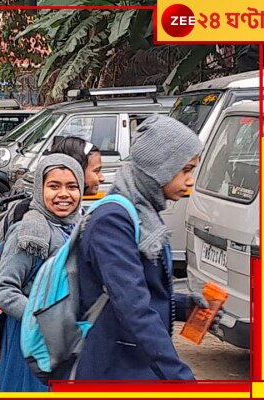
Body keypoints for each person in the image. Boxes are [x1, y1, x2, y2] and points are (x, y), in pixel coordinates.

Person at [74, 115, 207, 380]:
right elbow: (133, 307)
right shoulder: (112, 220)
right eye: (186, 170)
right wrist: (181, 378)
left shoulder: (143, 213)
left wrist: (185, 306)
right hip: (114, 368)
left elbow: (142, 290)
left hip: (132, 365)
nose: (190, 180)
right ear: (160, 168)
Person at [0, 154, 84, 392]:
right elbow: (2, 290)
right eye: (54, 186)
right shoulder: (31, 230)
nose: (63, 194)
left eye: (72, 186)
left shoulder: (76, 227)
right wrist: (42, 320)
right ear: (39, 189)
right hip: (31, 342)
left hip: (64, 341)